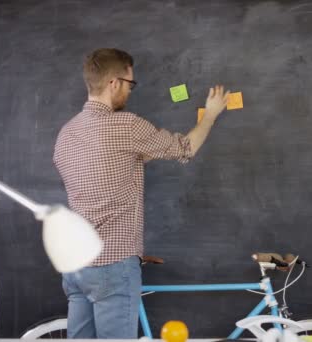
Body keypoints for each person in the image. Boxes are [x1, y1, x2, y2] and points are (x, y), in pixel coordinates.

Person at [53, 48, 229, 338]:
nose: (130, 92)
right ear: (114, 83)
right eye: (130, 84)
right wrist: (210, 115)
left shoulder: (67, 134)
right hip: (113, 263)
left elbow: (109, 167)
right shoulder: (126, 125)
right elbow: (186, 148)